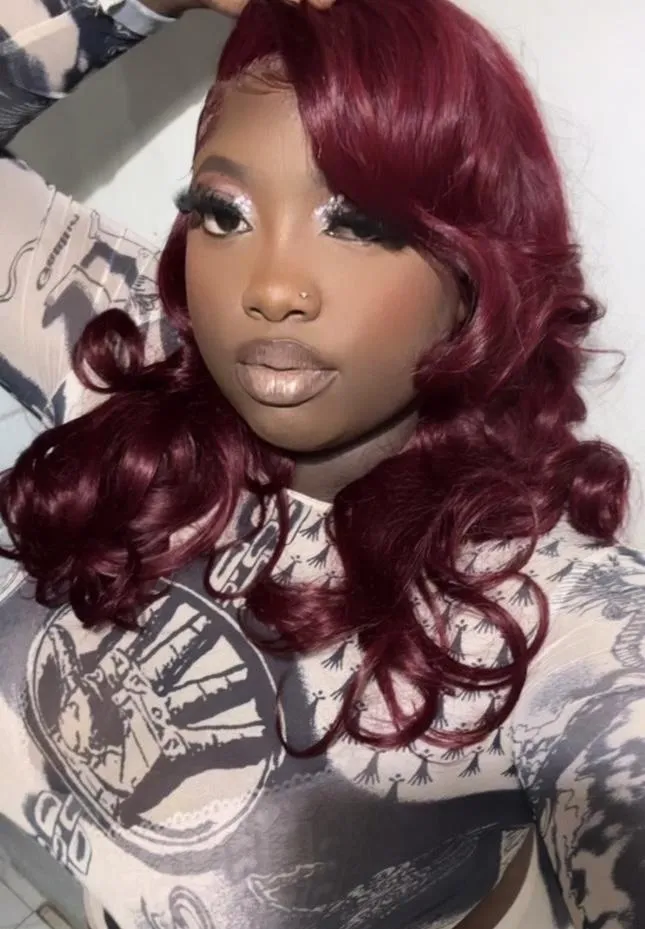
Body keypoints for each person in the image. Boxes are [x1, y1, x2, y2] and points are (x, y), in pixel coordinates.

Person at [0, 0, 642, 927]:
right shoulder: (128, 347)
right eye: (223, 214)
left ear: (478, 271)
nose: (270, 287)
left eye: (359, 224)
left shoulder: (551, 619)